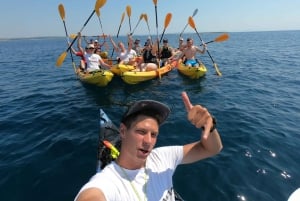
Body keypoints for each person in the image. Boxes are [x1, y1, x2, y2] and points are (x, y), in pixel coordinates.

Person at [74, 91, 223, 201]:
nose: (148, 141)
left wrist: (208, 127)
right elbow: (92, 195)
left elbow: (212, 149)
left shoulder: (162, 157)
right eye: (141, 131)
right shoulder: (108, 182)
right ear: (123, 131)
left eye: (154, 134)